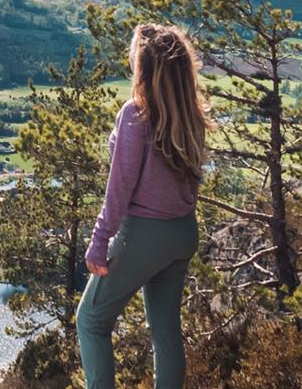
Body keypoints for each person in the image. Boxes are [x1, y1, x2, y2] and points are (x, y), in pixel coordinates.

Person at [76, 23, 210, 388]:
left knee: (91, 320)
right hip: (183, 231)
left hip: (144, 235)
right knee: (165, 331)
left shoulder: (136, 114)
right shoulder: (190, 114)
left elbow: (120, 186)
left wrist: (99, 239)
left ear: (144, 68)